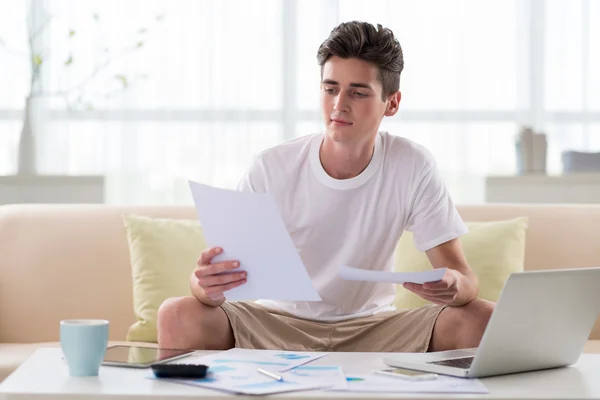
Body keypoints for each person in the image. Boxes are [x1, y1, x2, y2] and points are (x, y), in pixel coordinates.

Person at [157, 21, 494, 353]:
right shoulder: (272, 166)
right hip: (275, 323)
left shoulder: (412, 164)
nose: (339, 105)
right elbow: (209, 283)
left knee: (481, 318)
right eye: (330, 89)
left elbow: (465, 280)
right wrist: (207, 286)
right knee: (177, 313)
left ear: (391, 103)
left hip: (373, 328)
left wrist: (454, 287)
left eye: (358, 93)